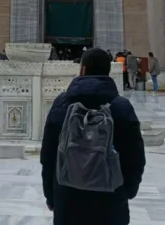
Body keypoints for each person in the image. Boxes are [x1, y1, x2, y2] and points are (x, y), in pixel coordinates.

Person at [40, 48, 146, 225]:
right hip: (111, 199)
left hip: (67, 198)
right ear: (108, 71)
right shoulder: (121, 106)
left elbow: (48, 154)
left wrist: (51, 196)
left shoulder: (62, 103)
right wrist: (127, 191)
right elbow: (135, 156)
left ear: (83, 69)